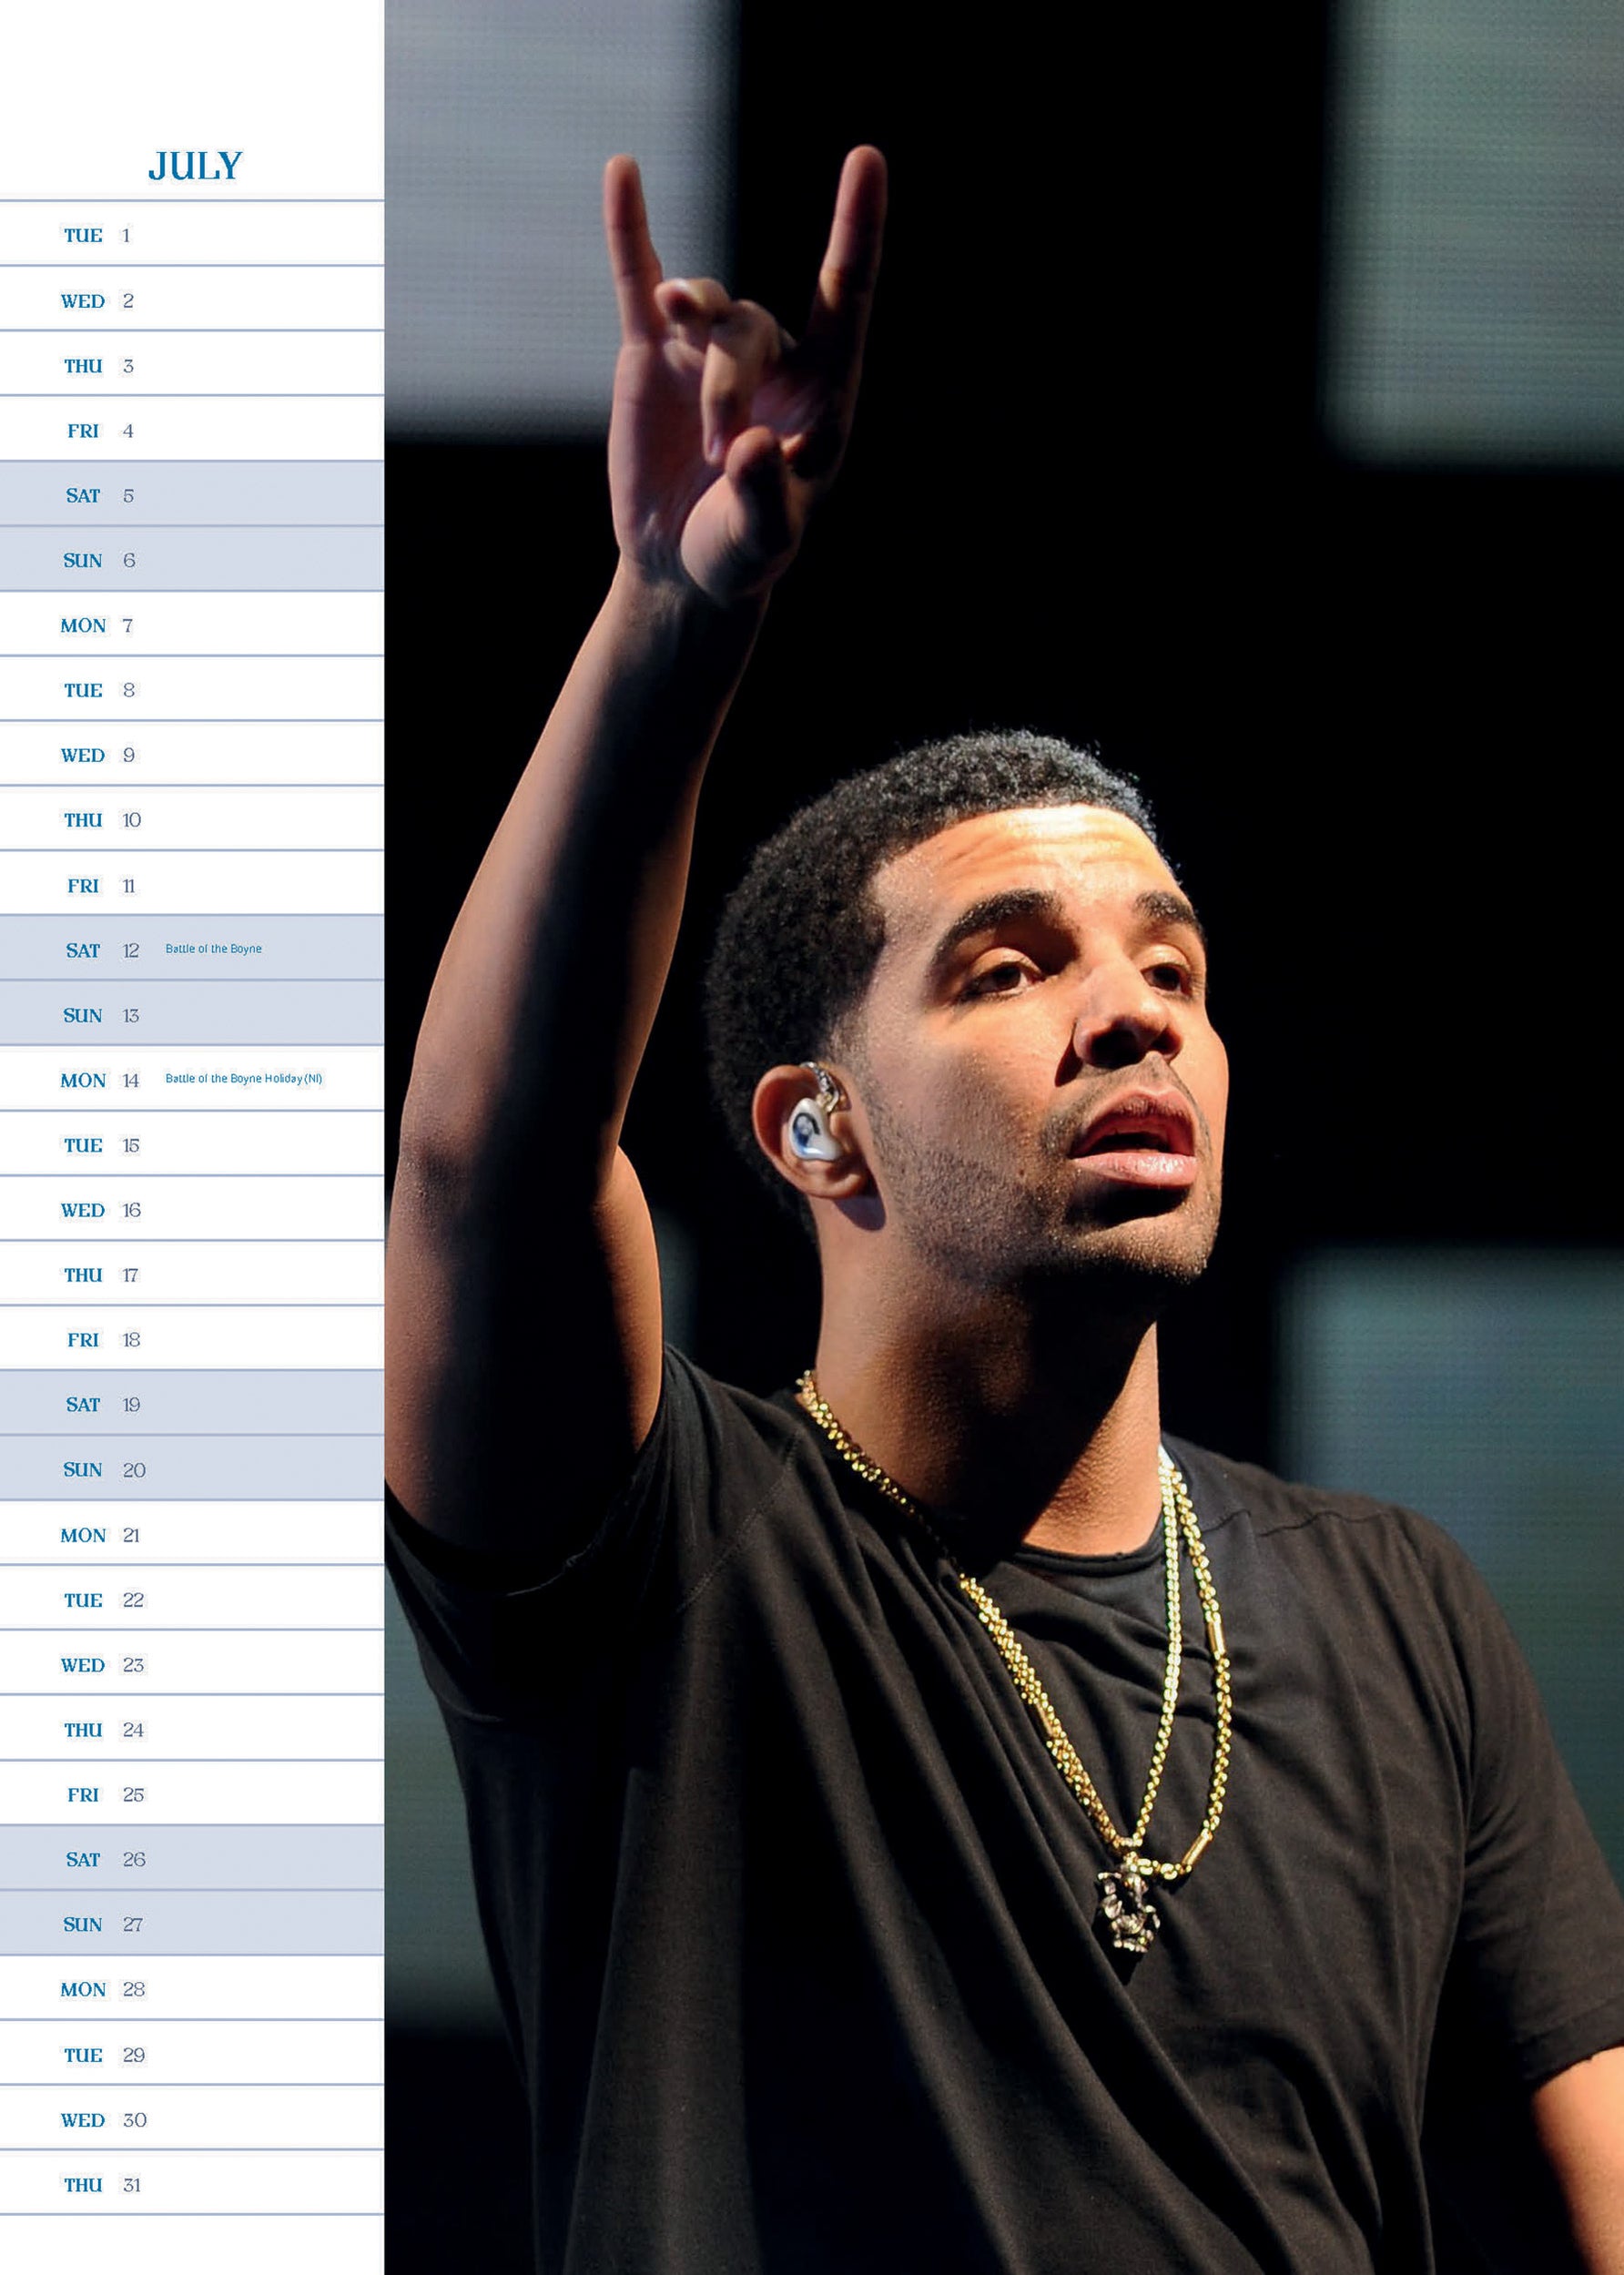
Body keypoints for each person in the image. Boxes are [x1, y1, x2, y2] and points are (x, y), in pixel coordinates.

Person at [385, 149, 1624, 2272]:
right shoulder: (670, 1554)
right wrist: (676, 617)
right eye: (1008, 967)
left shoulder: (1398, 1608)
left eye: (1174, 969)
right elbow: (485, 1170)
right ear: (818, 1132)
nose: (1133, 1012)